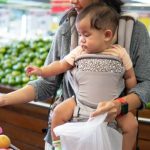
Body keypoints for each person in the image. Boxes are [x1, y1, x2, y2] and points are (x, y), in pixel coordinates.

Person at [0, 0, 150, 150]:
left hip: (112, 137)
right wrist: (5, 99)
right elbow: (47, 83)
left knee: (131, 125)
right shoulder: (67, 29)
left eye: (87, 34)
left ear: (107, 34)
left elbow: (145, 84)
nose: (72, 1)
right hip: (69, 135)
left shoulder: (134, 32)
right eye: (80, 34)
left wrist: (121, 105)